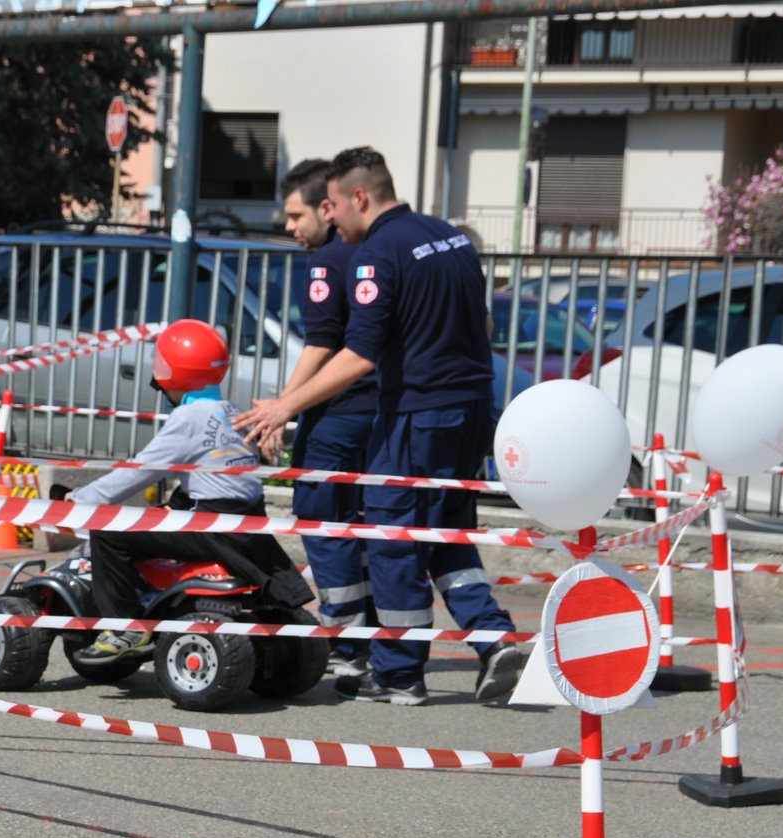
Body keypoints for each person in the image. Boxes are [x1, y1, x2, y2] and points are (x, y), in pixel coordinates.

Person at [256, 146, 523, 705]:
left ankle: (398, 674)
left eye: (331, 205)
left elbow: (357, 355)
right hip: (474, 408)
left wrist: (286, 406)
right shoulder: (449, 237)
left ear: (359, 197)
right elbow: (486, 320)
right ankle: (495, 640)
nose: (330, 217)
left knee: (392, 538)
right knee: (445, 533)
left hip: (418, 415)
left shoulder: (378, 252)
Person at [66, 320, 316, 664]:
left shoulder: (189, 417)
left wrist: (81, 501)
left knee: (109, 530)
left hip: (212, 526)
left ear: (169, 370)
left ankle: (126, 626)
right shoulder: (230, 411)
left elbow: (140, 471)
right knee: (158, 517)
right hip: (246, 525)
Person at [236, 158, 377, 678]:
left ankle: (343, 638)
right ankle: (374, 635)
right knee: (366, 529)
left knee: (323, 522)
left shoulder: (329, 261)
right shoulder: (381, 250)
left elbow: (321, 344)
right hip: (382, 414)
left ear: (327, 206)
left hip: (340, 412)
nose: (290, 228)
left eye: (296, 216)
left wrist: (281, 409)